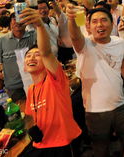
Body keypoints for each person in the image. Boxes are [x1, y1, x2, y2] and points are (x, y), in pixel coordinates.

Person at [67, 7, 124, 157]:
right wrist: (72, 19)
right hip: (95, 111)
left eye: (104, 20)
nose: (99, 25)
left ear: (112, 24)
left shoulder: (119, 42)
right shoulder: (84, 45)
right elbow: (75, 36)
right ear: (89, 26)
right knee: (100, 149)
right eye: (95, 21)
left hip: (120, 105)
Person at [20, 8, 81, 157]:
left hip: (62, 144)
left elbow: (46, 52)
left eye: (36, 55)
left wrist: (40, 26)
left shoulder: (55, 80)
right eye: (28, 56)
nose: (31, 58)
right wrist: (32, 128)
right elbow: (29, 115)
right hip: (41, 144)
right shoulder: (31, 89)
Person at [0, 13, 36, 101]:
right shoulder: (1, 40)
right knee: (20, 112)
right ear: (10, 23)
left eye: (21, 19)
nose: (18, 22)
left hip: (34, 82)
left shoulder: (33, 35)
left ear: (26, 22)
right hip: (14, 87)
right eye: (15, 19)